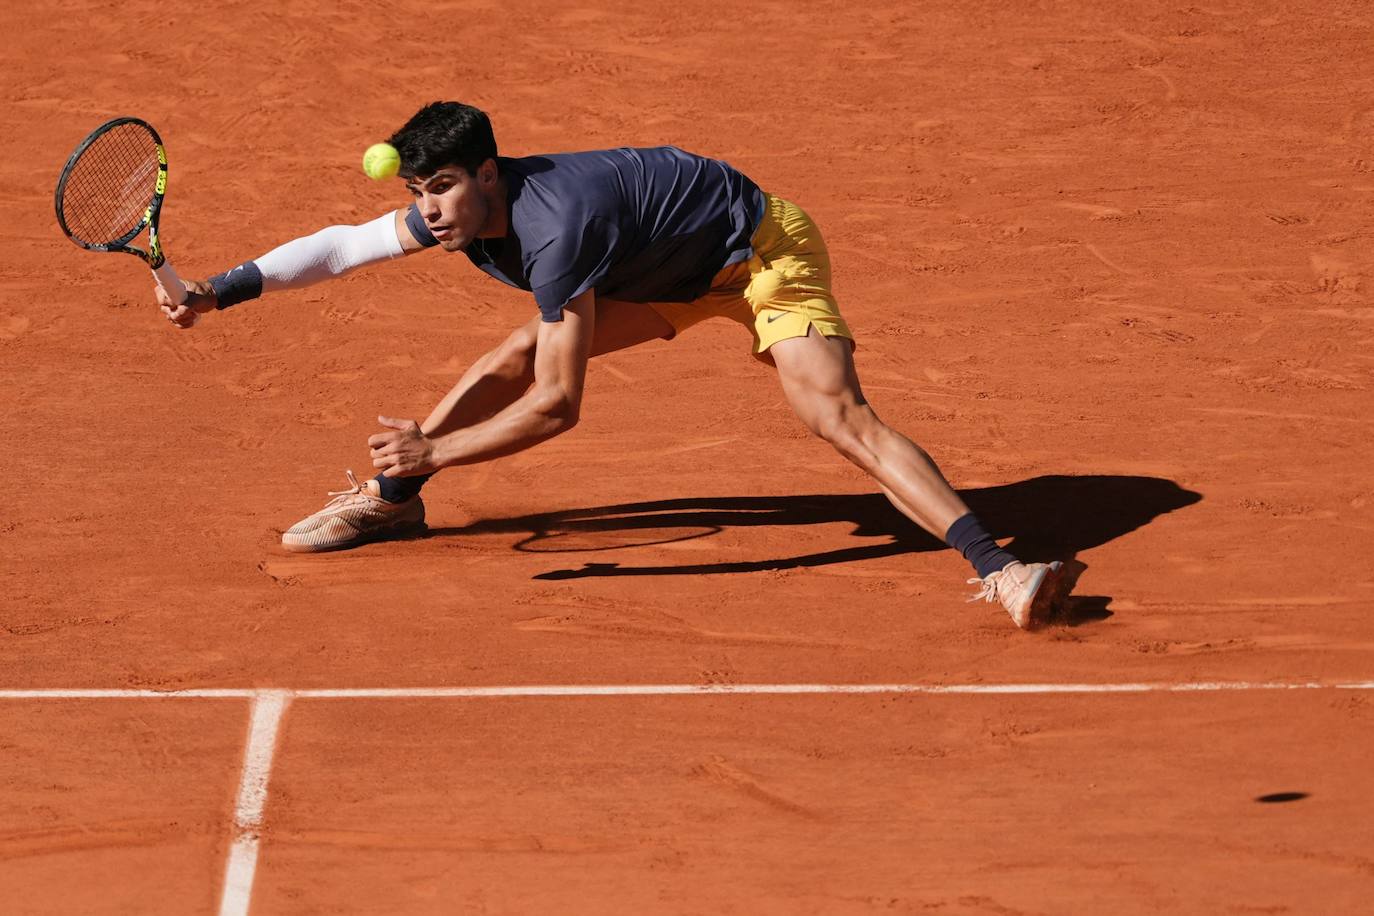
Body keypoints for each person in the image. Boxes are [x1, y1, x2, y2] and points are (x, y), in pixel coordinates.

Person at [157, 101, 1065, 629]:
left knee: (834, 418)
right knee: (516, 347)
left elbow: (559, 406)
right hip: (666, 266)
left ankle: (1001, 569)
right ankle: (392, 505)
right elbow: (341, 247)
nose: (427, 212)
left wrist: (437, 448)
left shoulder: (557, 230)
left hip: (759, 254)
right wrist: (220, 288)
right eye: (417, 193)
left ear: (487, 175)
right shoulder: (467, 211)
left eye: (441, 189)